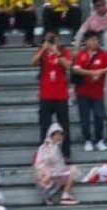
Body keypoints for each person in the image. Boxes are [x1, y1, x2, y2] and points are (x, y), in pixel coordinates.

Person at [73, 31, 107, 152]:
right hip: (82, 92)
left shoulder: (104, 54)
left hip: (97, 93)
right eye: (92, 40)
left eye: (96, 39)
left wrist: (101, 71)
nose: (95, 42)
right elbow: (76, 70)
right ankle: (87, 140)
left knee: (99, 116)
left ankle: (99, 140)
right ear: (86, 42)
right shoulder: (81, 55)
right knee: (85, 118)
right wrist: (92, 73)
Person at [33, 33, 73, 161]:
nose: (52, 42)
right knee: (45, 125)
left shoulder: (64, 51)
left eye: (54, 39)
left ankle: (66, 153)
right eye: (49, 40)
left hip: (61, 94)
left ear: (59, 40)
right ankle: (44, 154)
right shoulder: (43, 52)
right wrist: (44, 49)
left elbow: (68, 66)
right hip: (46, 94)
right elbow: (33, 63)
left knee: (64, 125)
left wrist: (57, 53)